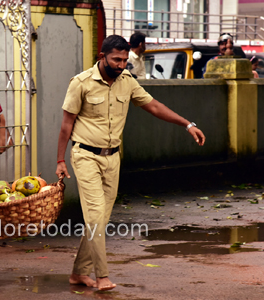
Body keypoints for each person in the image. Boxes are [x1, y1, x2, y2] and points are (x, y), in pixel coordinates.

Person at [55, 35, 205, 291]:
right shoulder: (81, 83)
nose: (122, 64)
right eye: (116, 59)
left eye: (125, 59)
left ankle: (79, 273)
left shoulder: (128, 82)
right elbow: (66, 125)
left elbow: (155, 106)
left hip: (113, 157)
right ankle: (102, 276)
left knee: (100, 219)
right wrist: (60, 159)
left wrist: (187, 124)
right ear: (102, 57)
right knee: (94, 217)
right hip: (85, 155)